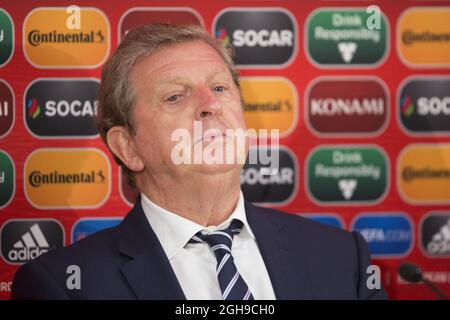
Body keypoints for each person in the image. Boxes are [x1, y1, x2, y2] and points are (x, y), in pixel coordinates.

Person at [11, 23, 388, 300]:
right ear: (129, 148)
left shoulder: (342, 257)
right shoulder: (63, 286)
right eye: (175, 96)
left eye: (220, 88)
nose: (211, 104)